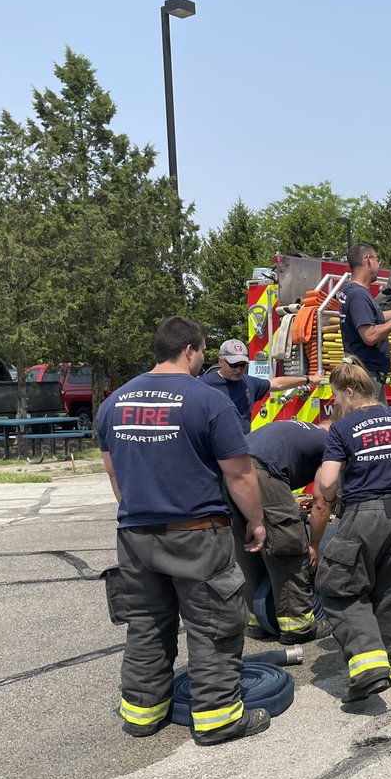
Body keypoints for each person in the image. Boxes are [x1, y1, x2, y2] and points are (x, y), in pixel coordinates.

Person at [97, 316, 272, 745]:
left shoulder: (113, 403)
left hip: (136, 535)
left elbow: (115, 475)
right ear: (191, 350)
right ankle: (217, 719)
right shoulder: (208, 401)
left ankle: (142, 713)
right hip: (197, 533)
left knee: (146, 624)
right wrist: (256, 521)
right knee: (213, 623)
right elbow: (240, 475)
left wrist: (140, 515)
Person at [310, 355, 391, 703]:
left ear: (350, 392)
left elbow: (326, 480)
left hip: (364, 513)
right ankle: (388, 663)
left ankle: (369, 668)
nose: (335, 402)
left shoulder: (342, 428)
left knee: (339, 587)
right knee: (388, 590)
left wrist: (328, 493)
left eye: (337, 395)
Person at [229, 418, 333, 645]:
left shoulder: (297, 429)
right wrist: (314, 545)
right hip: (260, 471)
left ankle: (257, 622)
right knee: (287, 548)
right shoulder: (331, 441)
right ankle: (298, 626)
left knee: (249, 546)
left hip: (229, 473)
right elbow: (321, 501)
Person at [338, 243, 391, 401]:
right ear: (368, 260)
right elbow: (370, 336)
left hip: (364, 374)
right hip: (366, 376)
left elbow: (378, 316)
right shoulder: (359, 295)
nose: (379, 264)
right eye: (377, 259)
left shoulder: (351, 291)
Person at [200, 338, 312, 432]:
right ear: (220, 361)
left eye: (242, 364)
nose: (238, 370)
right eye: (233, 365)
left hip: (242, 447)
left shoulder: (248, 382)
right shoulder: (203, 385)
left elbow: (277, 384)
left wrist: (308, 379)